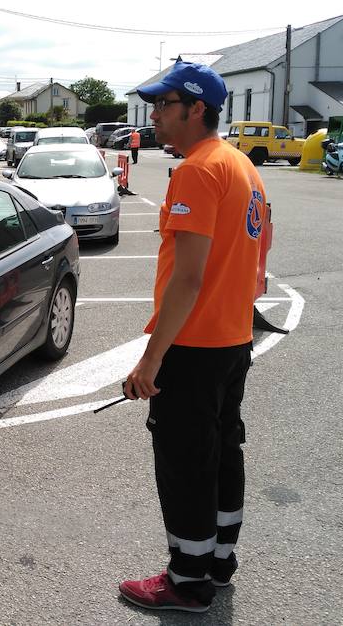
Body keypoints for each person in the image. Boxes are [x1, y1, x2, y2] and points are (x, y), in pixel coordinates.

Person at [117, 61, 267, 614]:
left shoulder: (198, 171)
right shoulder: (241, 165)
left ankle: (186, 581)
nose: (154, 114)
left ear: (196, 108)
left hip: (195, 347)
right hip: (232, 340)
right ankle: (219, 563)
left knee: (185, 464)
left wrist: (150, 360)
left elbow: (188, 277)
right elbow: (259, 256)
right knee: (223, 452)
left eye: (164, 104)